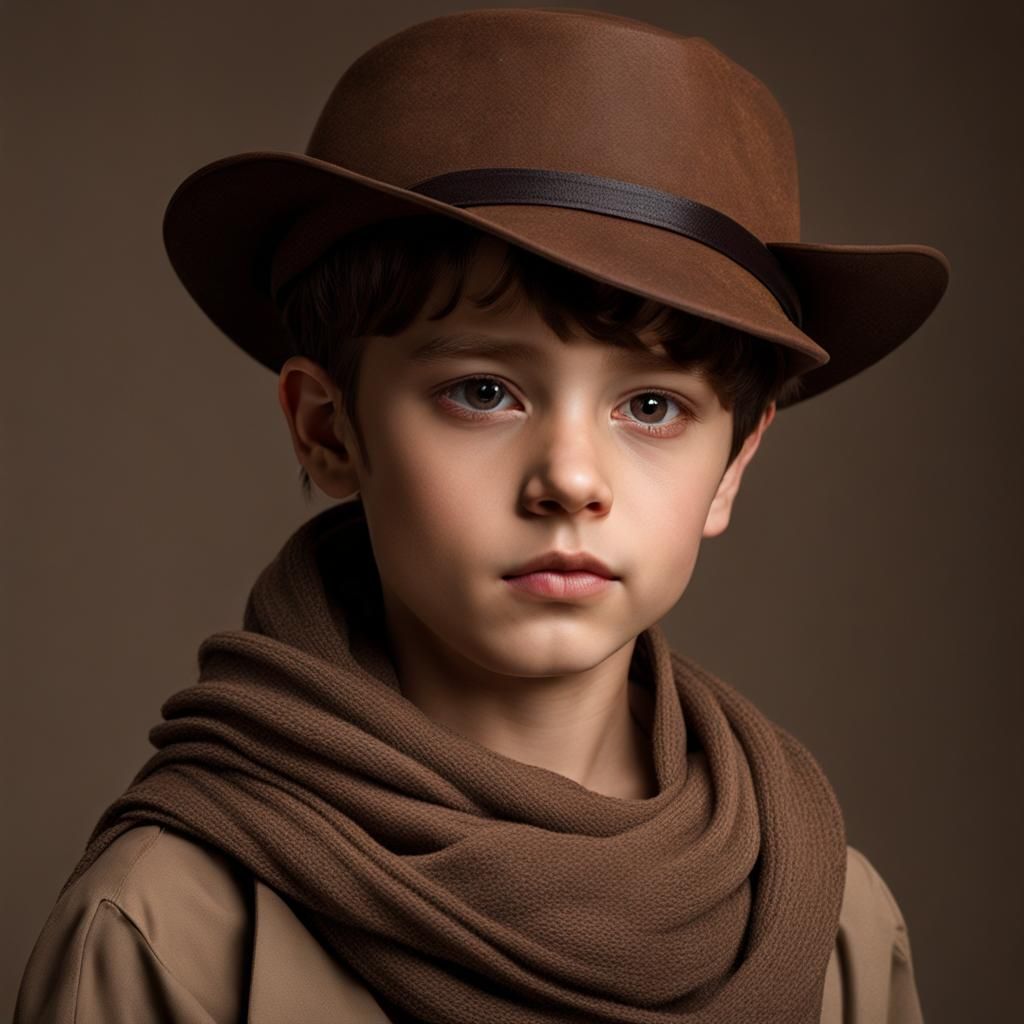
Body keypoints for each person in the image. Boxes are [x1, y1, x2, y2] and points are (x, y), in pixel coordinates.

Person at [13, 8, 948, 1023]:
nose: (570, 479)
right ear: (328, 428)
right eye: (484, 392)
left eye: (651, 407)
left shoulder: (830, 926)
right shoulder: (172, 929)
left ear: (732, 467)